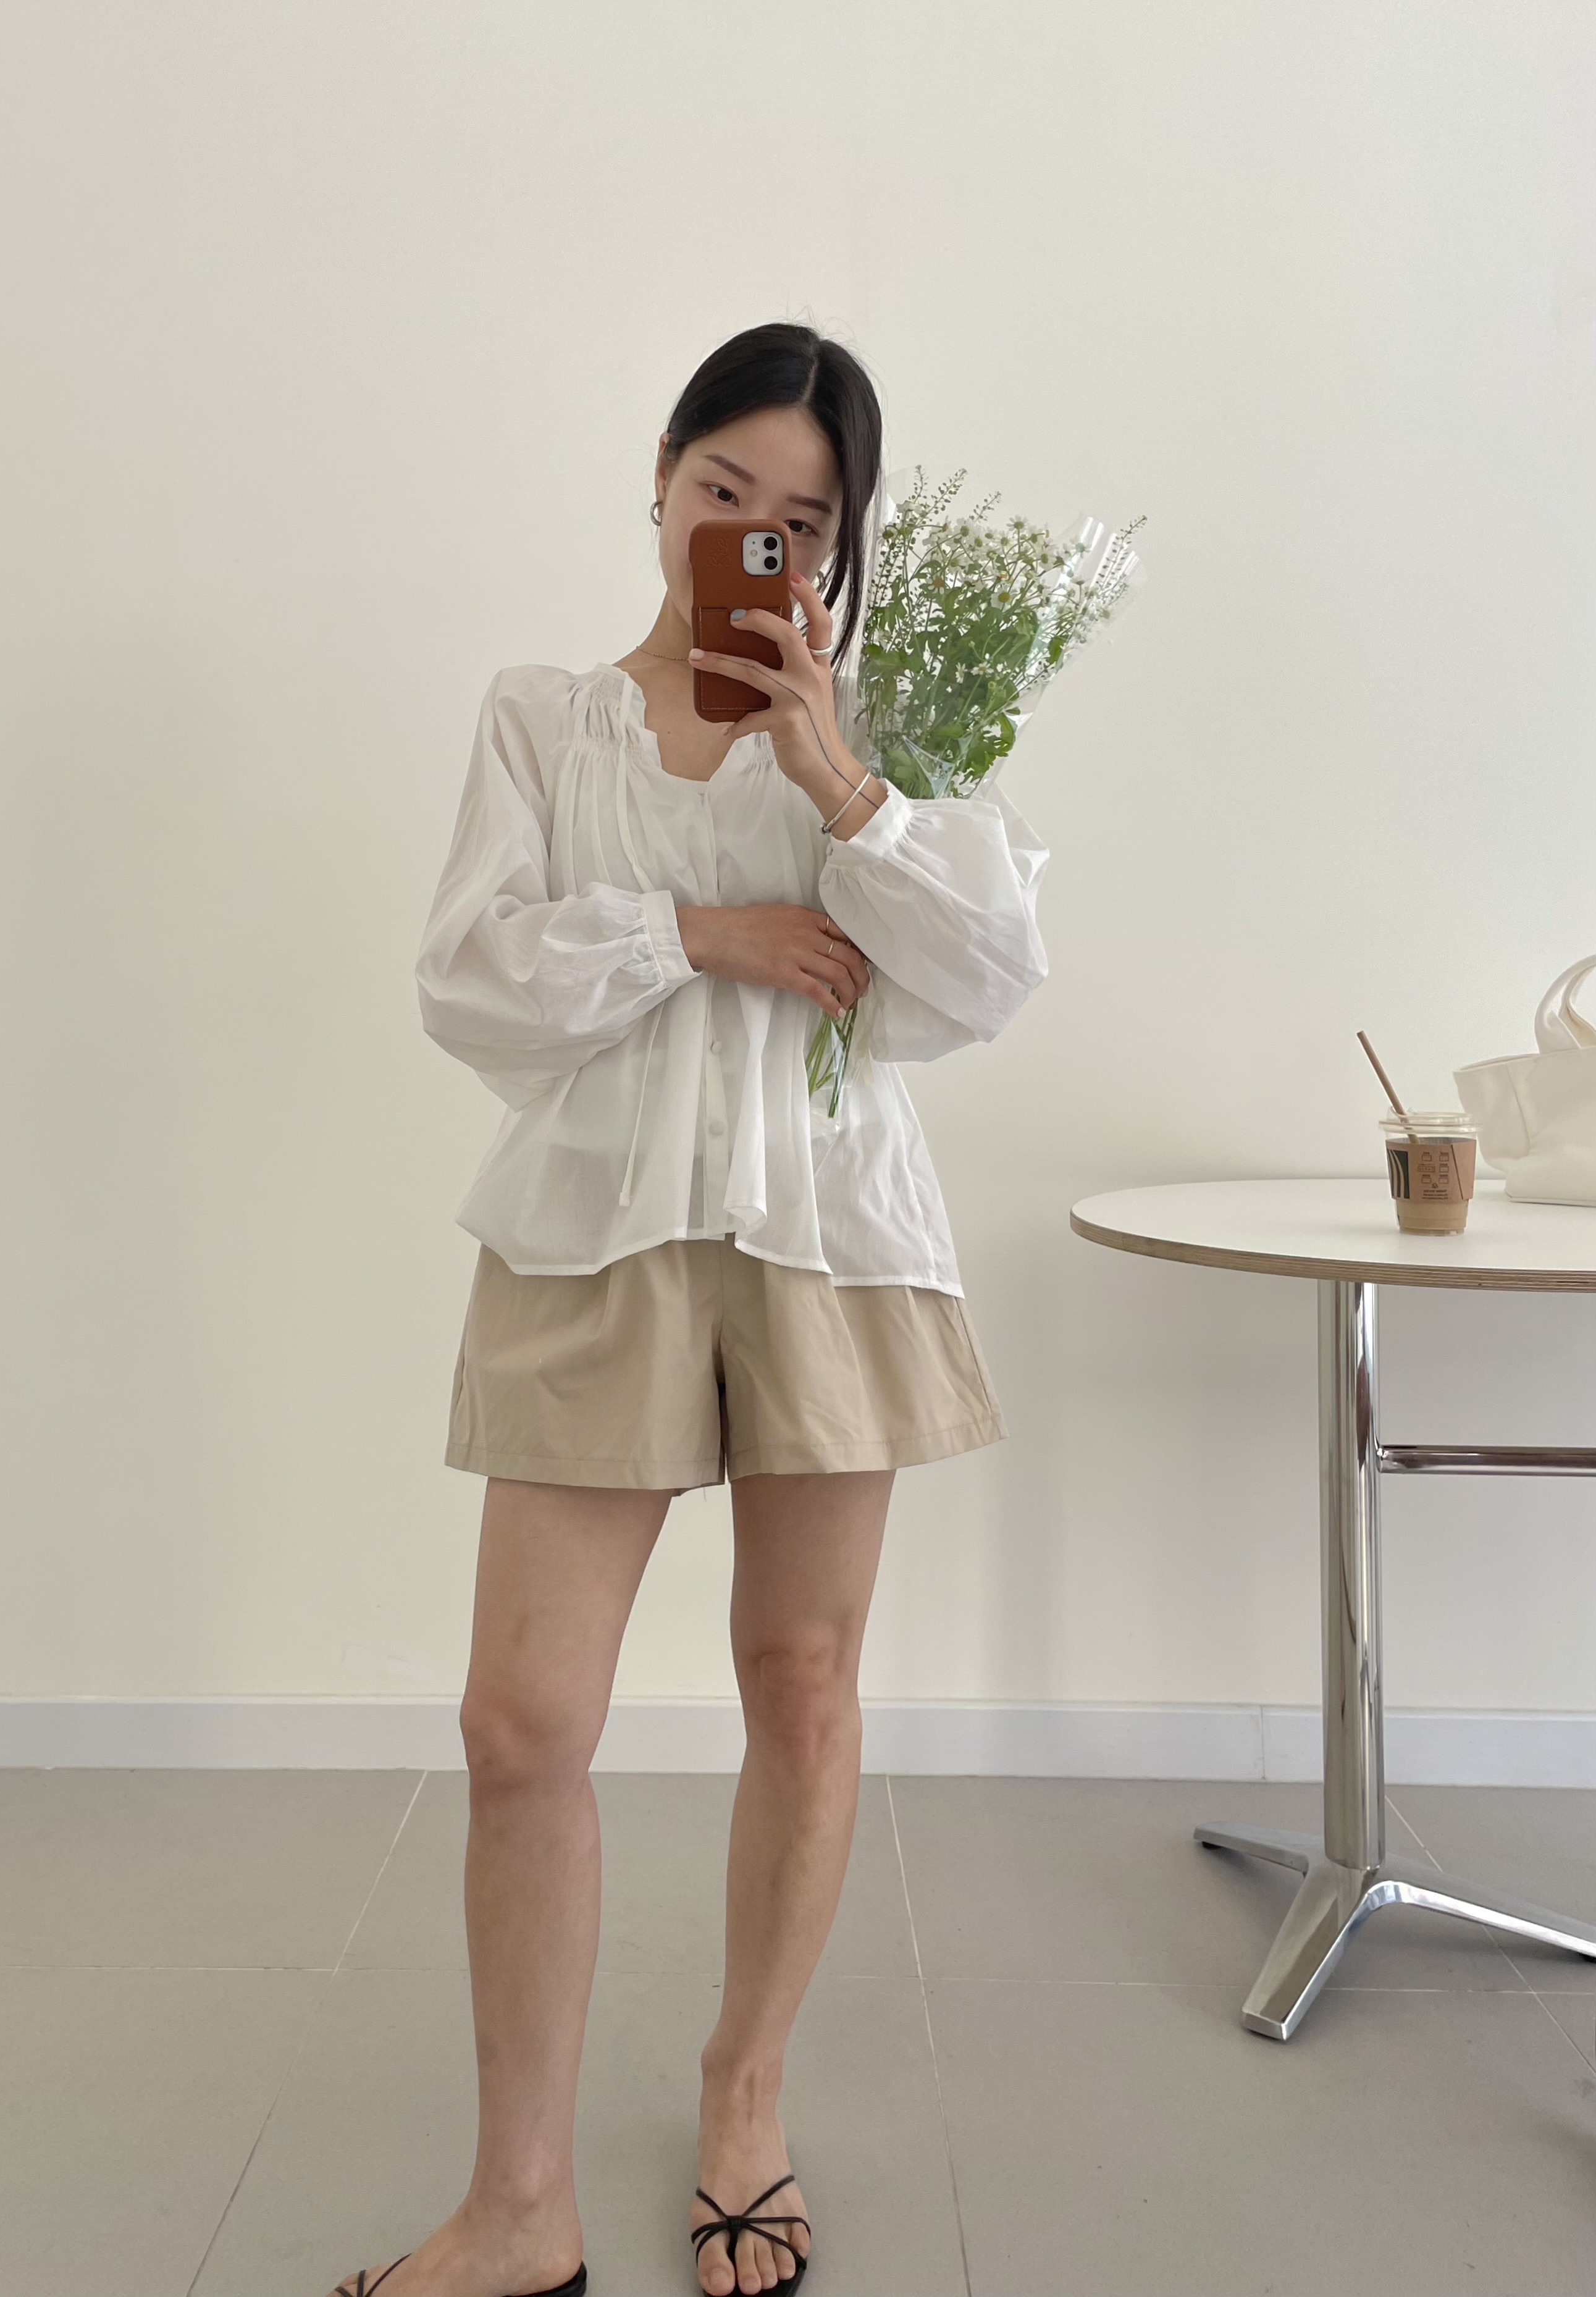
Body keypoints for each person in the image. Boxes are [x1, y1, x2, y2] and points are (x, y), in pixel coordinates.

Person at [331, 322, 1049, 2297]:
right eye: (726, 490)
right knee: (519, 1724)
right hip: (596, 1231)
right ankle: (521, 2206)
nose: (755, 536)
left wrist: (842, 782)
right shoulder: (545, 720)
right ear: (660, 479)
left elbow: (983, 981)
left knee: (801, 1683)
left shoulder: (891, 723)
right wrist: (697, 931)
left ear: (842, 547)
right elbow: (470, 980)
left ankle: (747, 2095)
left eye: (802, 519)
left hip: (827, 1228)